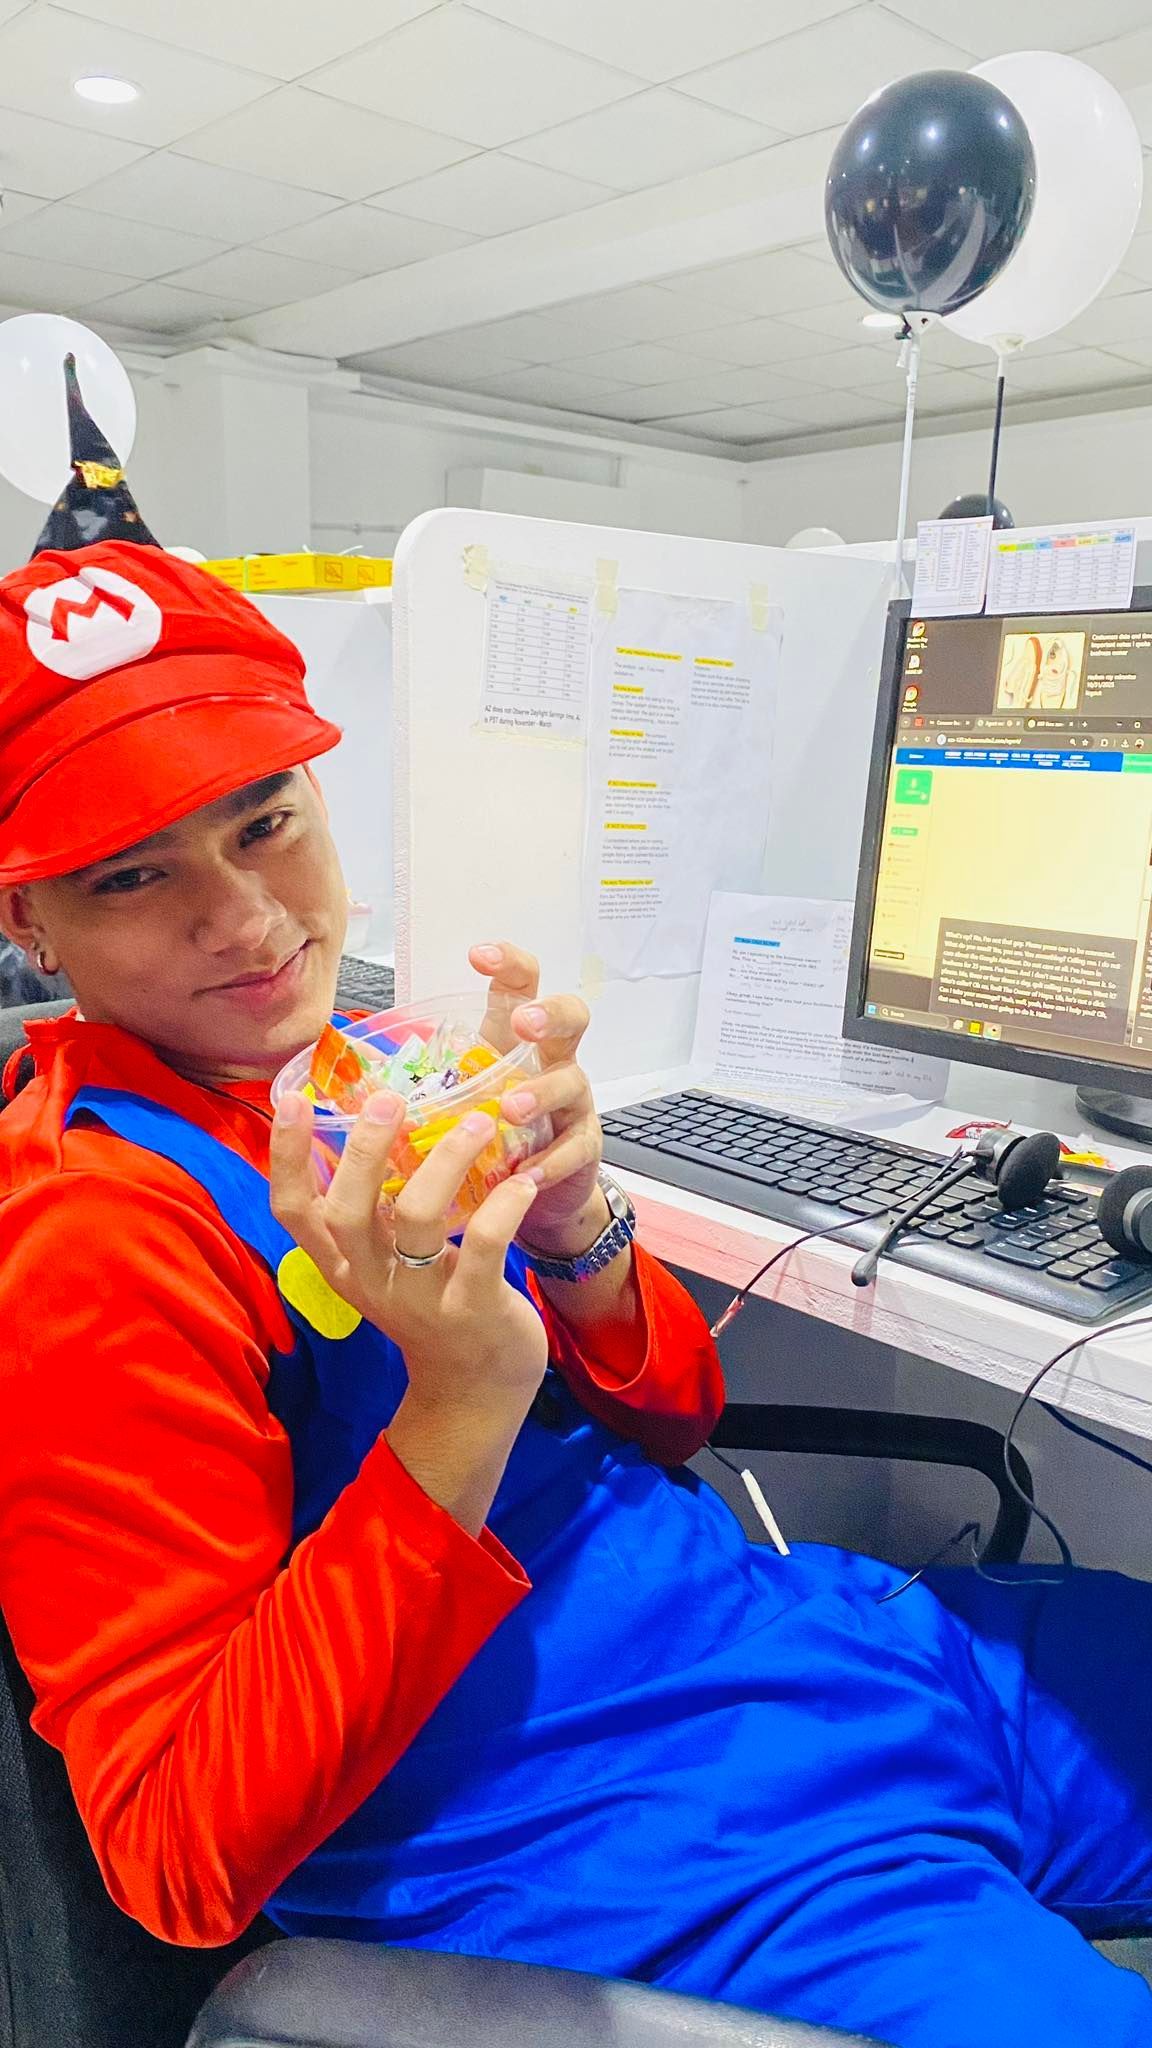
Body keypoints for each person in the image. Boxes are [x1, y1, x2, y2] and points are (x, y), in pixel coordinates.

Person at [1, 534, 1152, 2048]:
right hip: (645, 1846)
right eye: (131, 875)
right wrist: (460, 1403)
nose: (243, 917)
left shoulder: (364, 1072)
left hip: (830, 1655)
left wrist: (575, 1226)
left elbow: (675, 1426)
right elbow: (176, 1855)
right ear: (30, 924)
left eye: (263, 824)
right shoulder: (97, 1239)